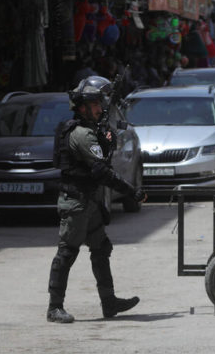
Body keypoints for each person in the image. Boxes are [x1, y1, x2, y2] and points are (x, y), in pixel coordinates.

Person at [46, 76, 146, 323]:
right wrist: (131, 191)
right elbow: (101, 171)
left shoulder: (91, 131)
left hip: (89, 202)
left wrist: (107, 138)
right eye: (95, 105)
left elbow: (102, 158)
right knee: (67, 252)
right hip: (76, 203)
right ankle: (54, 307)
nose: (100, 109)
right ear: (82, 108)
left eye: (100, 104)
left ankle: (109, 302)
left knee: (101, 249)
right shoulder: (81, 134)